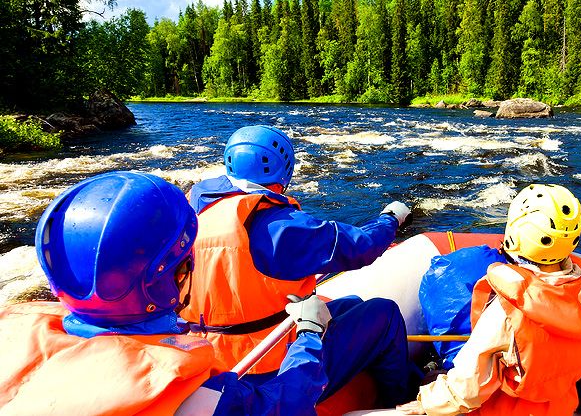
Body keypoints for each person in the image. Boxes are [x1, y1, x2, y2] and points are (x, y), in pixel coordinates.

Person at [0, 171, 333, 415]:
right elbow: (287, 405)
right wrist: (309, 333)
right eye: (184, 265)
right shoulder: (194, 398)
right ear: (160, 283)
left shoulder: (13, 338)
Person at [180, 125, 414, 407]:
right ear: (284, 173)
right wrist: (391, 218)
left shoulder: (189, 212)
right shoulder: (280, 228)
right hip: (268, 368)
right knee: (384, 312)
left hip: (206, 363)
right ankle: (404, 401)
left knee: (351, 302)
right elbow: (361, 246)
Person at [399, 184, 581, 415]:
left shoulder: (507, 310)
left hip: (501, 409)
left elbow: (467, 389)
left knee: (432, 379)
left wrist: (426, 402)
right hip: (559, 405)